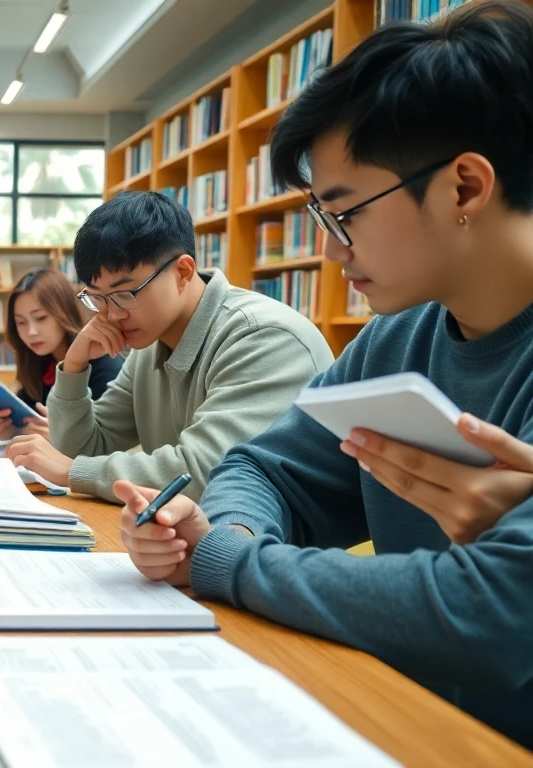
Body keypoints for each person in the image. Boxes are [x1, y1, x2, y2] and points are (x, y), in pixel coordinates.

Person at [115, 0, 533, 748]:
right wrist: (229, 530)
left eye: (346, 214)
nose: (332, 250)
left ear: (465, 187)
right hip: (404, 723)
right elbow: (264, 468)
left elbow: (492, 613)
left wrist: (228, 560)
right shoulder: (396, 339)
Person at [5, 191, 334, 502]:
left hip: (274, 540)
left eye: (124, 294)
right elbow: (85, 447)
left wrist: (73, 472)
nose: (112, 315)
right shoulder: (149, 343)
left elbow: (210, 472)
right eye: (97, 298)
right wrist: (75, 364)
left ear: (183, 272)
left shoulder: (263, 338)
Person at [0, 269, 123, 441]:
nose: (31, 332)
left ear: (65, 312)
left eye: (41, 318)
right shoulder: (38, 363)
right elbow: (30, 423)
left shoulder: (105, 364)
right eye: (21, 322)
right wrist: (13, 430)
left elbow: (109, 441)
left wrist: (65, 440)